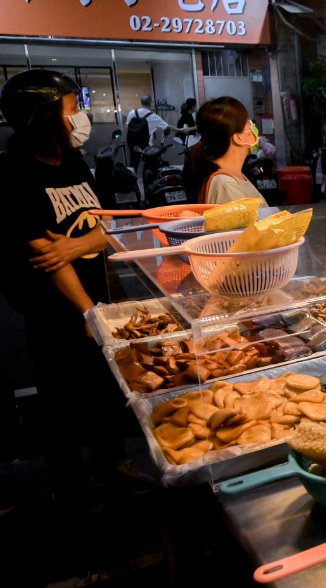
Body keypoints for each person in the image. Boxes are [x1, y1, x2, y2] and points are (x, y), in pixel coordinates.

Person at [0, 70, 155, 509]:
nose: (79, 116)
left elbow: (106, 226)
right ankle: (67, 486)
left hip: (102, 298)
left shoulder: (72, 162)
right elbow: (47, 256)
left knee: (107, 389)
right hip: (56, 309)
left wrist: (86, 244)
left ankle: (113, 466)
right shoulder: (12, 173)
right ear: (43, 116)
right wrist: (87, 311)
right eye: (71, 108)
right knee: (60, 400)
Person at [182, 96, 268, 205]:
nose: (253, 126)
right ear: (238, 137)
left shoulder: (234, 177)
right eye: (248, 122)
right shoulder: (225, 185)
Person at [126, 95, 192, 170]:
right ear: (151, 103)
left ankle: (131, 179)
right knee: (151, 165)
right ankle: (149, 180)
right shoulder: (153, 116)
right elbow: (167, 127)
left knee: (133, 165)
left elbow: (128, 127)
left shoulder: (131, 113)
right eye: (153, 102)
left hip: (133, 145)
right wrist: (180, 129)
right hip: (146, 145)